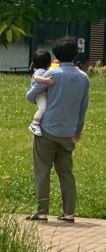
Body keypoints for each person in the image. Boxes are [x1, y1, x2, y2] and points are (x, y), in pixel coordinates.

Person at [25, 37, 90, 223]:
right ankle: (69, 212)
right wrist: (78, 130)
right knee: (66, 172)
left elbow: (32, 96)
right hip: (68, 131)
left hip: (46, 128)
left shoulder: (52, 74)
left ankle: (42, 211)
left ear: (56, 55)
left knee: (42, 171)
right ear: (75, 54)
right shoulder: (83, 77)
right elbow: (83, 106)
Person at [27, 48, 55, 136]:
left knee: (46, 109)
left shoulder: (45, 70)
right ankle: (34, 124)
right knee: (43, 108)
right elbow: (36, 78)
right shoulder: (40, 71)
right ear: (48, 63)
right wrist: (46, 80)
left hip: (44, 93)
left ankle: (40, 122)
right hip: (40, 94)